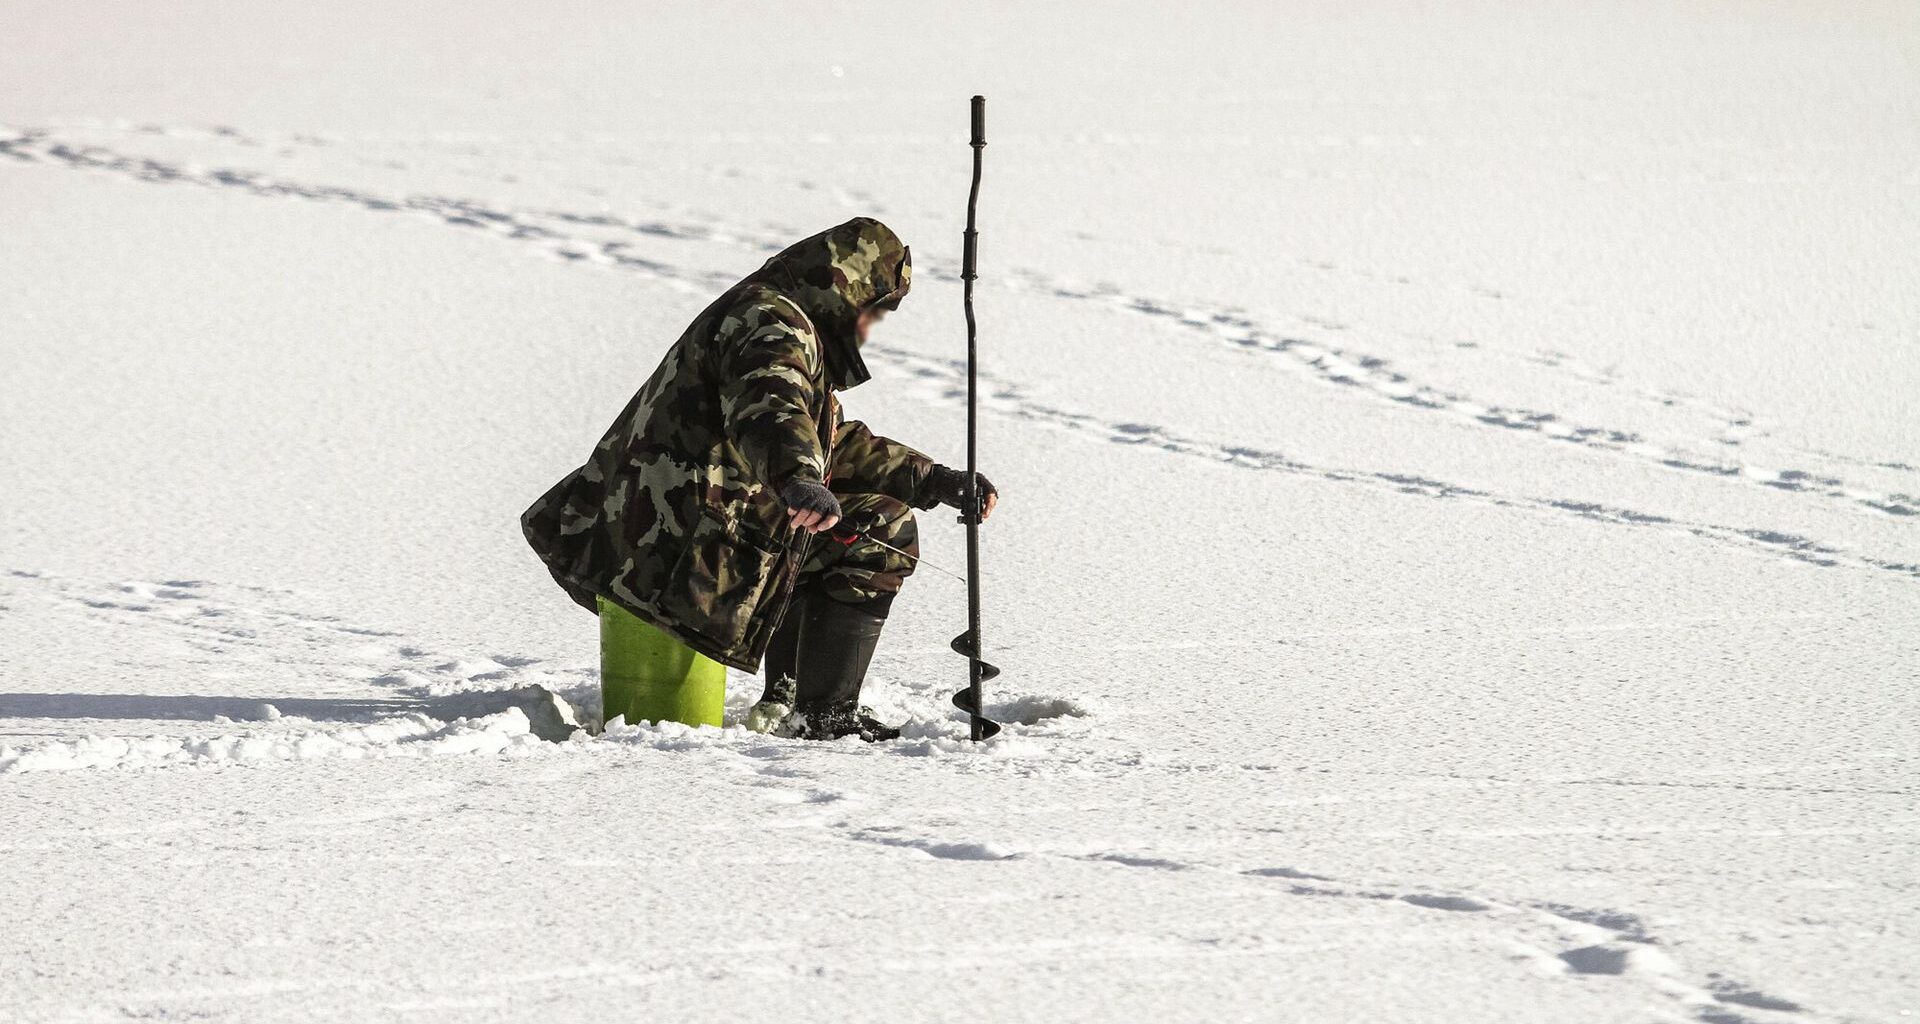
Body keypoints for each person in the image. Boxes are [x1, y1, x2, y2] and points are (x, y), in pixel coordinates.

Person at [520, 217, 996, 741]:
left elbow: (828, 438)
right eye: (873, 311)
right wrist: (799, 478)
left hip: (657, 536)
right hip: (674, 549)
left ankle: (789, 699)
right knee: (882, 530)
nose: (869, 328)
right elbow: (771, 410)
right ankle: (822, 716)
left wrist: (935, 480)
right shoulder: (771, 324)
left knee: (834, 523)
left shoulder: (772, 319)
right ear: (845, 288)